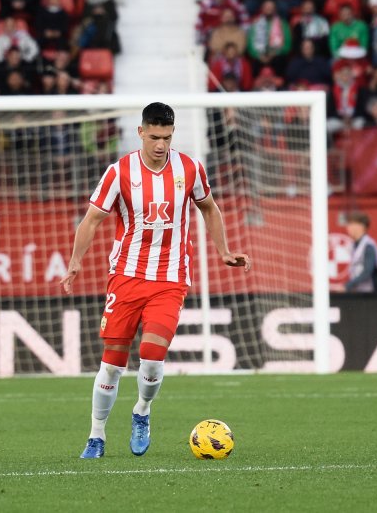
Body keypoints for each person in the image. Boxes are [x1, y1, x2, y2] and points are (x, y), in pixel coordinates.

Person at [60, 102, 250, 459]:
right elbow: (91, 220)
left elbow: (209, 207)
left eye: (166, 136)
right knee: (112, 364)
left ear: (172, 133)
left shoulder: (190, 168)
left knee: (151, 355)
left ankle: (142, 412)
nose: (160, 144)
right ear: (141, 132)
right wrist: (74, 263)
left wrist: (223, 251)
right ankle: (96, 435)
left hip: (170, 277)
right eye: (154, 137)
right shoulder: (119, 172)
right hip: (127, 276)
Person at [343, 211, 377, 293]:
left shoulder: (368, 246)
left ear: (361, 226)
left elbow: (367, 272)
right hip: (362, 294)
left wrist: (347, 286)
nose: (348, 228)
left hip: (376, 295)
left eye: (351, 224)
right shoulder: (353, 246)